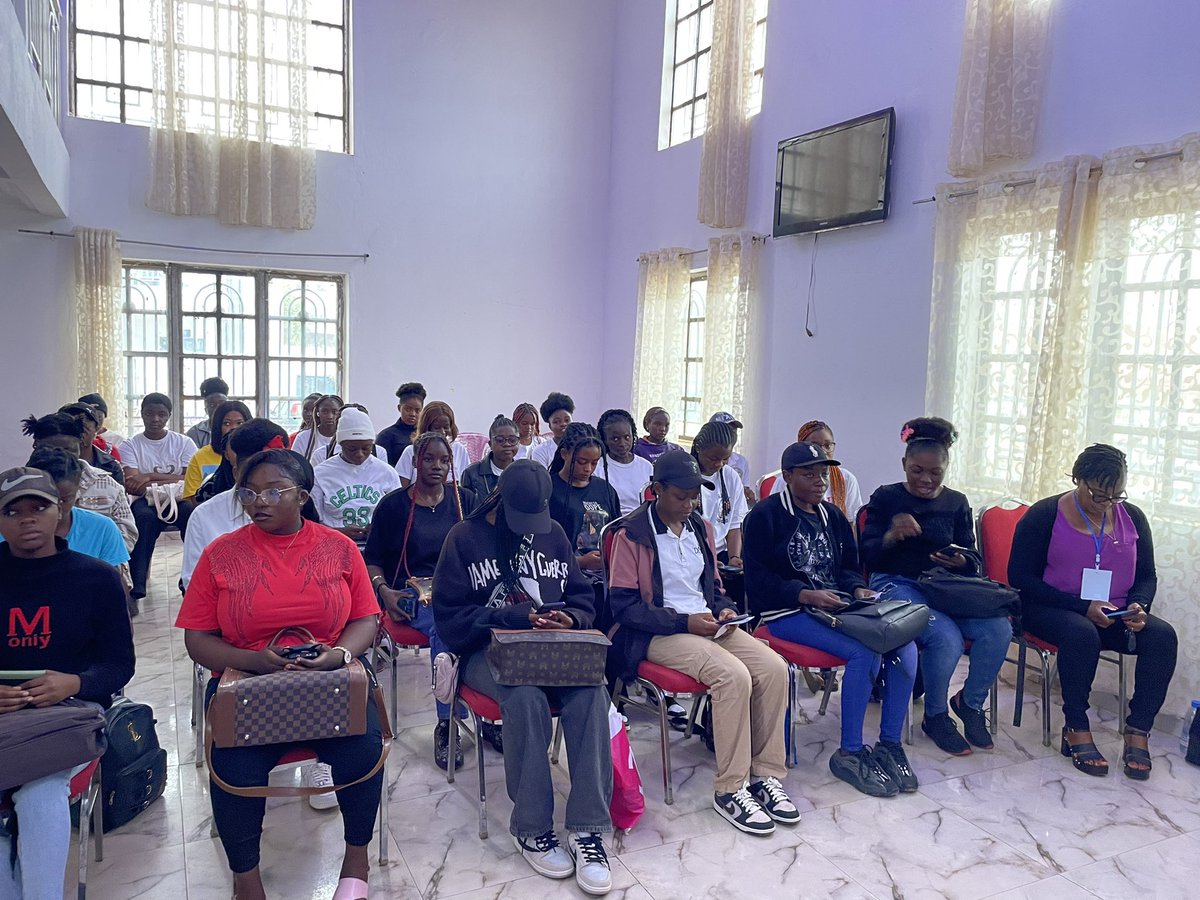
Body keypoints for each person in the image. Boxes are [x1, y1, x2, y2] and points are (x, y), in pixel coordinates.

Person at [176, 449, 383, 900]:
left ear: (303, 496)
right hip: (249, 683)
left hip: (327, 679)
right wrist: (253, 660)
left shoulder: (339, 548)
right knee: (233, 767)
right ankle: (246, 879)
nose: (258, 502)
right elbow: (197, 639)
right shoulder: (222, 554)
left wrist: (338, 654)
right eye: (249, 493)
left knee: (362, 750)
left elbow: (366, 619)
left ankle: (356, 857)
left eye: (274, 491)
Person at [433, 460, 614, 895]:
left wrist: (567, 618)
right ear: (499, 499)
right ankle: (531, 826)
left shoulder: (552, 533)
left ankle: (588, 827)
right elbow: (450, 620)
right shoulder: (464, 538)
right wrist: (513, 616)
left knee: (591, 692)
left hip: (552, 649)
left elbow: (581, 597)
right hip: (486, 653)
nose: (529, 528)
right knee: (525, 695)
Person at [607, 450, 797, 835]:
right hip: (658, 633)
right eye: (681, 495)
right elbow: (624, 607)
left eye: (695, 495)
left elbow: (712, 588)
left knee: (774, 668)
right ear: (656, 490)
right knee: (732, 676)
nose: (690, 503)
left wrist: (725, 610)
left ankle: (766, 775)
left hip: (707, 624)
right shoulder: (631, 534)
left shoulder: (700, 528)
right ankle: (730, 788)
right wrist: (684, 621)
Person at [744, 441, 919, 797]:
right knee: (864, 652)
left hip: (837, 608)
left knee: (906, 645)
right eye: (809, 474)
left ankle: (888, 745)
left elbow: (851, 569)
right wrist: (805, 594)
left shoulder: (835, 517)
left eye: (823, 473)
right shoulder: (764, 516)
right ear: (788, 476)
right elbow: (757, 581)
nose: (820, 481)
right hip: (786, 612)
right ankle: (850, 752)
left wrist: (857, 590)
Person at [0, 466, 134, 900]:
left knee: (40, 789)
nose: (26, 519)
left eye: (37, 507)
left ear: (59, 511)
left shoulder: (95, 577)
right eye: (12, 511)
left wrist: (73, 683)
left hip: (69, 716)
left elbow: (119, 665)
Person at [1009, 444, 1176, 780]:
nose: (1107, 504)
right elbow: (1020, 578)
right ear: (1078, 479)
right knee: (1081, 632)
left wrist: (1139, 606)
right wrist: (1081, 607)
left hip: (1112, 612)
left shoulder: (1133, 517)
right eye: (1099, 495)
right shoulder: (1045, 514)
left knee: (1162, 635)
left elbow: (1147, 575)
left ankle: (1138, 730)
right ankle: (1075, 726)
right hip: (1051, 607)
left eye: (1116, 495)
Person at [860, 417, 1011, 756]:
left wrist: (960, 562)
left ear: (946, 468)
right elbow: (867, 556)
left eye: (935, 473)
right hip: (896, 584)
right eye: (916, 471)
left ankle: (969, 704)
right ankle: (936, 715)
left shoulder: (956, 502)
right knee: (946, 637)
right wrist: (890, 535)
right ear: (904, 465)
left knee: (998, 630)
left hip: (946, 588)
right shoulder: (886, 497)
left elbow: (972, 558)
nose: (926, 480)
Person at [365, 432, 476, 768]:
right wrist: (384, 591)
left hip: (460, 591)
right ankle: (447, 724)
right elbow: (372, 561)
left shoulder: (465, 501)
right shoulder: (393, 506)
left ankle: (486, 715)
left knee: (491, 624)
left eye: (444, 460)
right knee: (446, 627)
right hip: (410, 595)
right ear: (414, 461)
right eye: (429, 459)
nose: (437, 467)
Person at [182, 420, 291, 590]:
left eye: (276, 475)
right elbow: (195, 585)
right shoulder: (205, 517)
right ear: (236, 472)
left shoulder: (297, 509)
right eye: (254, 474)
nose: (264, 483)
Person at [22, 412, 137, 554]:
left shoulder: (108, 486)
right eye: (49, 449)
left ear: (80, 444)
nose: (60, 455)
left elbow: (127, 534)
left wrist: (93, 560)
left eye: (68, 449)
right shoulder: (18, 487)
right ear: (36, 446)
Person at [121, 393, 197, 607]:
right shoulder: (131, 445)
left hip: (180, 498)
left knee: (192, 516)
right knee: (142, 519)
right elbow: (132, 483)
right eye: (150, 414)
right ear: (142, 414)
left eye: (161, 414)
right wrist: (151, 480)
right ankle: (137, 587)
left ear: (169, 416)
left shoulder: (183, 442)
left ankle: (193, 580)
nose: (155, 419)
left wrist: (149, 477)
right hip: (146, 501)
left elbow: (190, 478)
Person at [14, 449, 130, 577]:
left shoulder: (103, 529)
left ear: (77, 492)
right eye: (45, 502)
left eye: (64, 500)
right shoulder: (8, 528)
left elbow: (116, 589)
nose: (57, 508)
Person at [311, 408, 401, 546]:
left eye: (366, 448)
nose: (359, 454)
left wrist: (378, 529)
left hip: (376, 547)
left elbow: (398, 516)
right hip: (333, 546)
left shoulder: (387, 472)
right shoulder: (320, 473)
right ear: (340, 444)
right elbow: (312, 524)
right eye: (352, 449)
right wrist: (339, 531)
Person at [549, 423, 621, 588]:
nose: (588, 469)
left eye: (594, 463)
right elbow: (541, 545)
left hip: (604, 578)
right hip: (562, 577)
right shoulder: (550, 489)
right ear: (564, 454)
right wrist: (580, 562)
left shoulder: (605, 489)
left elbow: (616, 533)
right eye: (581, 462)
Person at [769, 421, 865, 521]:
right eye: (815, 446)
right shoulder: (786, 480)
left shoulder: (847, 479)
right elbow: (773, 513)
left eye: (828, 446)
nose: (823, 451)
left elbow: (850, 522)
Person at [182, 400, 251, 500]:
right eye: (227, 423)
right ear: (218, 427)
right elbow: (192, 498)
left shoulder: (257, 454)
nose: (233, 428)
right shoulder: (200, 456)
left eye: (239, 423)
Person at [393, 401, 470, 487]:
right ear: (426, 428)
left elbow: (465, 484)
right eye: (437, 427)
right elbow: (401, 488)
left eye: (446, 427)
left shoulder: (459, 449)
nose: (442, 432)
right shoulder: (410, 451)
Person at [595, 409, 652, 516]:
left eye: (627, 437)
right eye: (615, 439)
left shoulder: (646, 466)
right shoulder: (598, 467)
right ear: (605, 440)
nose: (622, 443)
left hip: (643, 523)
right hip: (612, 524)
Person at [58, 403, 123, 485]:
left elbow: (120, 496)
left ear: (96, 429)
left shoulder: (111, 466)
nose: (81, 426)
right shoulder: (51, 461)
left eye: (86, 420)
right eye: (72, 421)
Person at [460, 415, 521, 498]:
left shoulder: (523, 473)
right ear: (490, 444)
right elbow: (465, 507)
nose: (507, 444)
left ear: (518, 442)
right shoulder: (471, 473)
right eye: (500, 440)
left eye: (512, 440)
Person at [375, 382, 426, 466]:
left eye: (417, 410)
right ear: (399, 408)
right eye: (408, 409)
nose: (413, 414)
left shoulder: (426, 434)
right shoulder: (386, 436)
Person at [709, 412, 754, 505]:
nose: (731, 435)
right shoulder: (704, 462)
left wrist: (748, 498)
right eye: (726, 431)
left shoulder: (741, 462)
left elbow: (744, 489)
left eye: (734, 431)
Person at [531, 393, 575, 468]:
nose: (563, 424)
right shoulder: (541, 451)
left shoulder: (582, 447)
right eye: (556, 422)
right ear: (550, 426)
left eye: (567, 420)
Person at [186, 377, 230, 448]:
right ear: (205, 409)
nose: (217, 409)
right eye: (212, 405)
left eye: (221, 403)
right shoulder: (195, 432)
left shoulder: (237, 429)